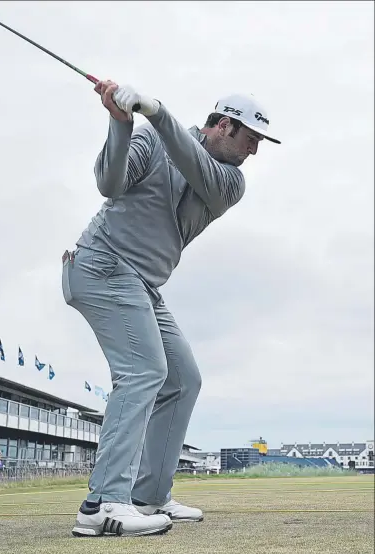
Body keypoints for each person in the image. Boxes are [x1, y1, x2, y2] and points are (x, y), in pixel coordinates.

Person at [63, 81, 280, 538]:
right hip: (102, 264)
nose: (255, 151)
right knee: (144, 371)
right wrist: (121, 125)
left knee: (183, 379)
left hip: (141, 283)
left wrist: (157, 113)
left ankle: (148, 495)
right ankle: (103, 504)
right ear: (224, 125)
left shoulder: (230, 181)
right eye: (250, 139)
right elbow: (110, 183)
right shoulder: (152, 138)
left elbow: (194, 165)